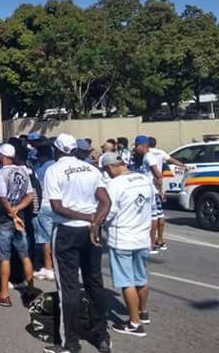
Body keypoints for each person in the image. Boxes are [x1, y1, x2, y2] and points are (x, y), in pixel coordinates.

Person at [42, 133, 111, 353]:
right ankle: (102, 337)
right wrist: (95, 223)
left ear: (57, 150)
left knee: (68, 288)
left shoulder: (53, 170)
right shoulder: (91, 168)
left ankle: (70, 342)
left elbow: (57, 207)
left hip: (67, 232)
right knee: (95, 284)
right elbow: (105, 201)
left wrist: (88, 219)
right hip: (91, 232)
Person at [92, 153, 153, 338]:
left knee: (127, 281)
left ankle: (134, 323)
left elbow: (108, 211)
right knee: (141, 277)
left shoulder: (115, 185)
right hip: (142, 235)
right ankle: (143, 312)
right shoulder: (144, 178)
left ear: (110, 167)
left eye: (105, 170)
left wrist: (95, 223)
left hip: (123, 237)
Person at [0, 144, 38, 307]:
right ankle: (30, 289)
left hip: (5, 218)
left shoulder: (1, 173)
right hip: (20, 216)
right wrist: (17, 210)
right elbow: (30, 195)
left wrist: (11, 212)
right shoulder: (23, 170)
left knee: (4, 257)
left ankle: (3, 294)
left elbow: (2, 198)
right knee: (25, 255)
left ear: (3, 156)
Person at [147, 136, 185, 252]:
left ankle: (151, 242)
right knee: (160, 214)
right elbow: (172, 160)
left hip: (148, 185)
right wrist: (183, 166)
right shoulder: (161, 152)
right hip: (158, 184)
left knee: (150, 216)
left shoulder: (146, 154)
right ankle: (161, 240)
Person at [131, 136, 164, 255]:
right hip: (142, 191)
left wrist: (160, 191)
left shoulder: (149, 157)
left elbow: (158, 175)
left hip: (151, 192)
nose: (135, 148)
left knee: (153, 217)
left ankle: (151, 244)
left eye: (136, 146)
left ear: (144, 146)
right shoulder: (140, 157)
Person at [32, 145, 56, 281]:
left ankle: (48, 268)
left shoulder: (41, 168)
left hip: (45, 203)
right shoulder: (57, 165)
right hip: (59, 204)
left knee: (46, 238)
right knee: (56, 236)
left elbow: (37, 186)